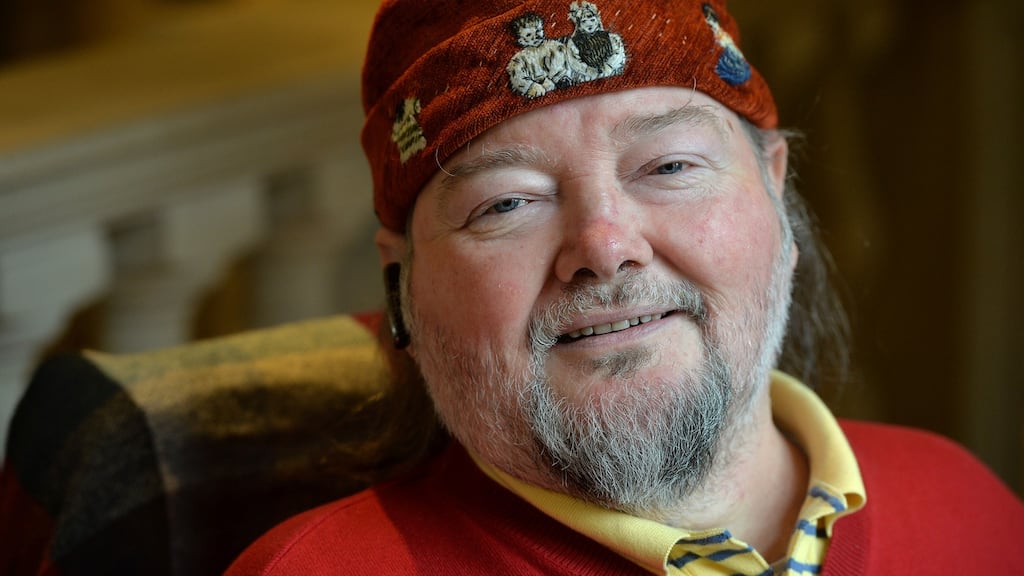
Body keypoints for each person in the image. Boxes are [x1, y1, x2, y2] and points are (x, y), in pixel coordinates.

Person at [227, 0, 1024, 574]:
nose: (605, 248)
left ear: (776, 191)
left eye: (670, 167)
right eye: (506, 203)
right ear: (402, 281)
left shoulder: (970, 512)